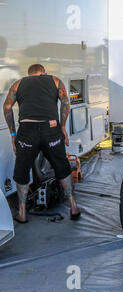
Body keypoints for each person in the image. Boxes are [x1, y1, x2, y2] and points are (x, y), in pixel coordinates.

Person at [2, 64, 81, 223]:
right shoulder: (55, 80)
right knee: (62, 167)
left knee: (22, 171)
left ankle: (22, 214)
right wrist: (63, 127)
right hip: (51, 129)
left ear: (29, 74)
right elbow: (66, 104)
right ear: (43, 72)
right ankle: (73, 207)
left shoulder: (18, 84)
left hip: (27, 131)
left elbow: (7, 106)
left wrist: (13, 134)